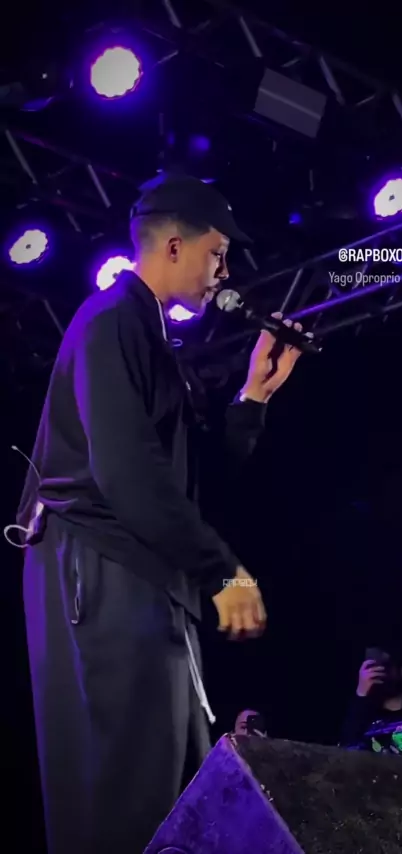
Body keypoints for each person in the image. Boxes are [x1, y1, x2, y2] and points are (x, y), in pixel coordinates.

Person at [15, 174, 303, 854]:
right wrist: (221, 570)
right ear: (175, 246)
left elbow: (185, 480)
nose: (224, 273)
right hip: (102, 572)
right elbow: (127, 474)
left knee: (176, 793)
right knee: (127, 794)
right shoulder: (113, 320)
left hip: (144, 579)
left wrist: (253, 399)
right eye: (217, 254)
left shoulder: (146, 333)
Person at [340, 652, 402, 747]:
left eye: (386, 666)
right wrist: (361, 692)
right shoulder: (364, 716)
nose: (381, 672)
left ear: (401, 671)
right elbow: (347, 743)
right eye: (374, 667)